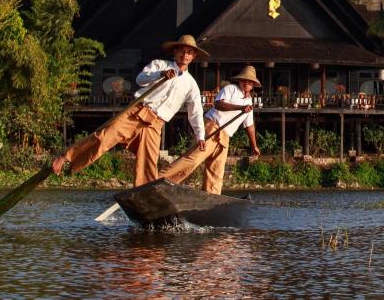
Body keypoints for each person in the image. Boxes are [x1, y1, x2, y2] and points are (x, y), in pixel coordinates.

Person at [52, 34, 208, 185]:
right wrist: (160, 75)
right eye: (182, 50)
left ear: (193, 56)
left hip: (155, 124)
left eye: (189, 52)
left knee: (147, 163)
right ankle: (67, 157)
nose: (185, 55)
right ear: (175, 51)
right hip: (136, 112)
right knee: (104, 137)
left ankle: (144, 195)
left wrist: (200, 136)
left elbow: (195, 112)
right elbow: (140, 79)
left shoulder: (191, 84)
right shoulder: (160, 65)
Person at [161, 65, 262, 194]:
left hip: (225, 134)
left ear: (253, 84)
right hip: (212, 126)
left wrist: (254, 145)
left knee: (217, 169)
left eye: (250, 82)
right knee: (194, 158)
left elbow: (250, 126)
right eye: (244, 80)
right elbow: (218, 104)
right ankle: (160, 180)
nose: (246, 83)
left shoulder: (249, 102)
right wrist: (239, 108)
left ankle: (211, 196)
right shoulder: (231, 89)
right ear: (240, 81)